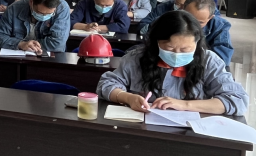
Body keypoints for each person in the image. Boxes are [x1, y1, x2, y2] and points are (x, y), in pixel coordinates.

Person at [97, 10, 247, 115]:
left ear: (197, 43)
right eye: (169, 48)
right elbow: (106, 84)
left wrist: (185, 105)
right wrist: (128, 98)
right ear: (156, 42)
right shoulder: (137, 58)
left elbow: (237, 99)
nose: (177, 54)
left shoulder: (209, 61)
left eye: (185, 49)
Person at [0, 0, 70, 53]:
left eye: (49, 14)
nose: (44, 16)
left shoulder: (62, 8)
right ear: (31, 2)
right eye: (39, 12)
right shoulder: (13, 9)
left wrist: (31, 46)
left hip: (51, 57)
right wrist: (21, 44)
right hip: (19, 57)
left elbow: (58, 43)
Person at [182, 0, 234, 66]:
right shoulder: (173, 20)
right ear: (182, 11)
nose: (193, 25)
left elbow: (221, 59)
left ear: (210, 18)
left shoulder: (220, 26)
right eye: (189, 19)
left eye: (200, 22)